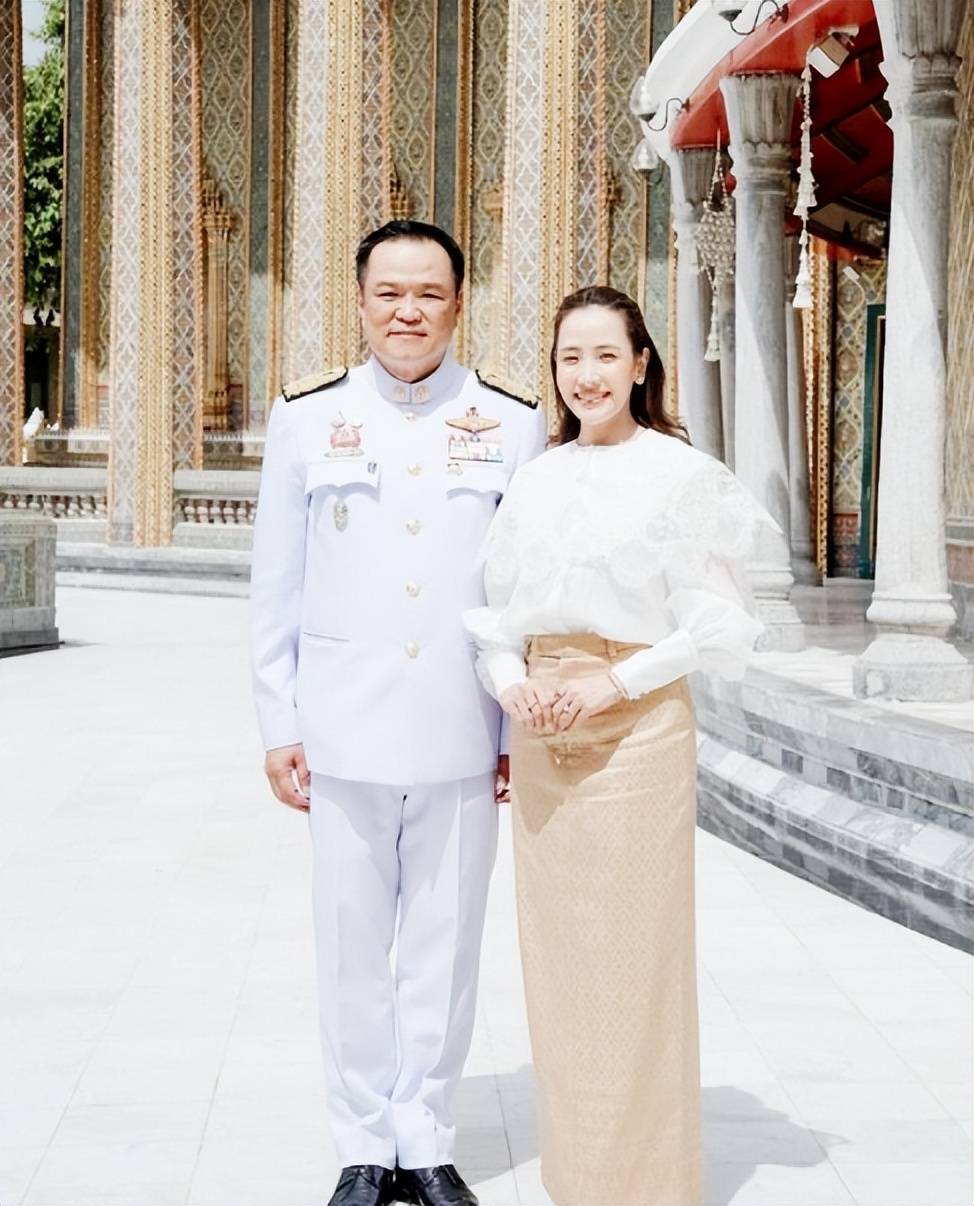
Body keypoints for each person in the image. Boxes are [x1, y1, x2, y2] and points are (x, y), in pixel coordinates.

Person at [250, 220, 547, 1206]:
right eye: (389, 293)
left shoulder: (509, 421)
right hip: (343, 727)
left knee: (443, 946)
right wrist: (280, 723)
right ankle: (364, 1145)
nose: (407, 311)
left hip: (462, 725)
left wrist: (511, 730)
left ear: (458, 303)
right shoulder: (306, 416)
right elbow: (275, 584)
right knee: (349, 946)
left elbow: (522, 590)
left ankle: (425, 1139)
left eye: (428, 293)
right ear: (360, 301)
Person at [464, 285, 777, 1206]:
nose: (587, 375)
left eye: (606, 354)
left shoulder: (680, 474)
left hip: (637, 727)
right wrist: (509, 682)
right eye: (570, 358)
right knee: (559, 964)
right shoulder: (536, 478)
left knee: (636, 961)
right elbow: (493, 616)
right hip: (543, 726)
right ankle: (580, 1181)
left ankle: (648, 1187)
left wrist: (615, 682)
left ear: (641, 364)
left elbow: (718, 622)